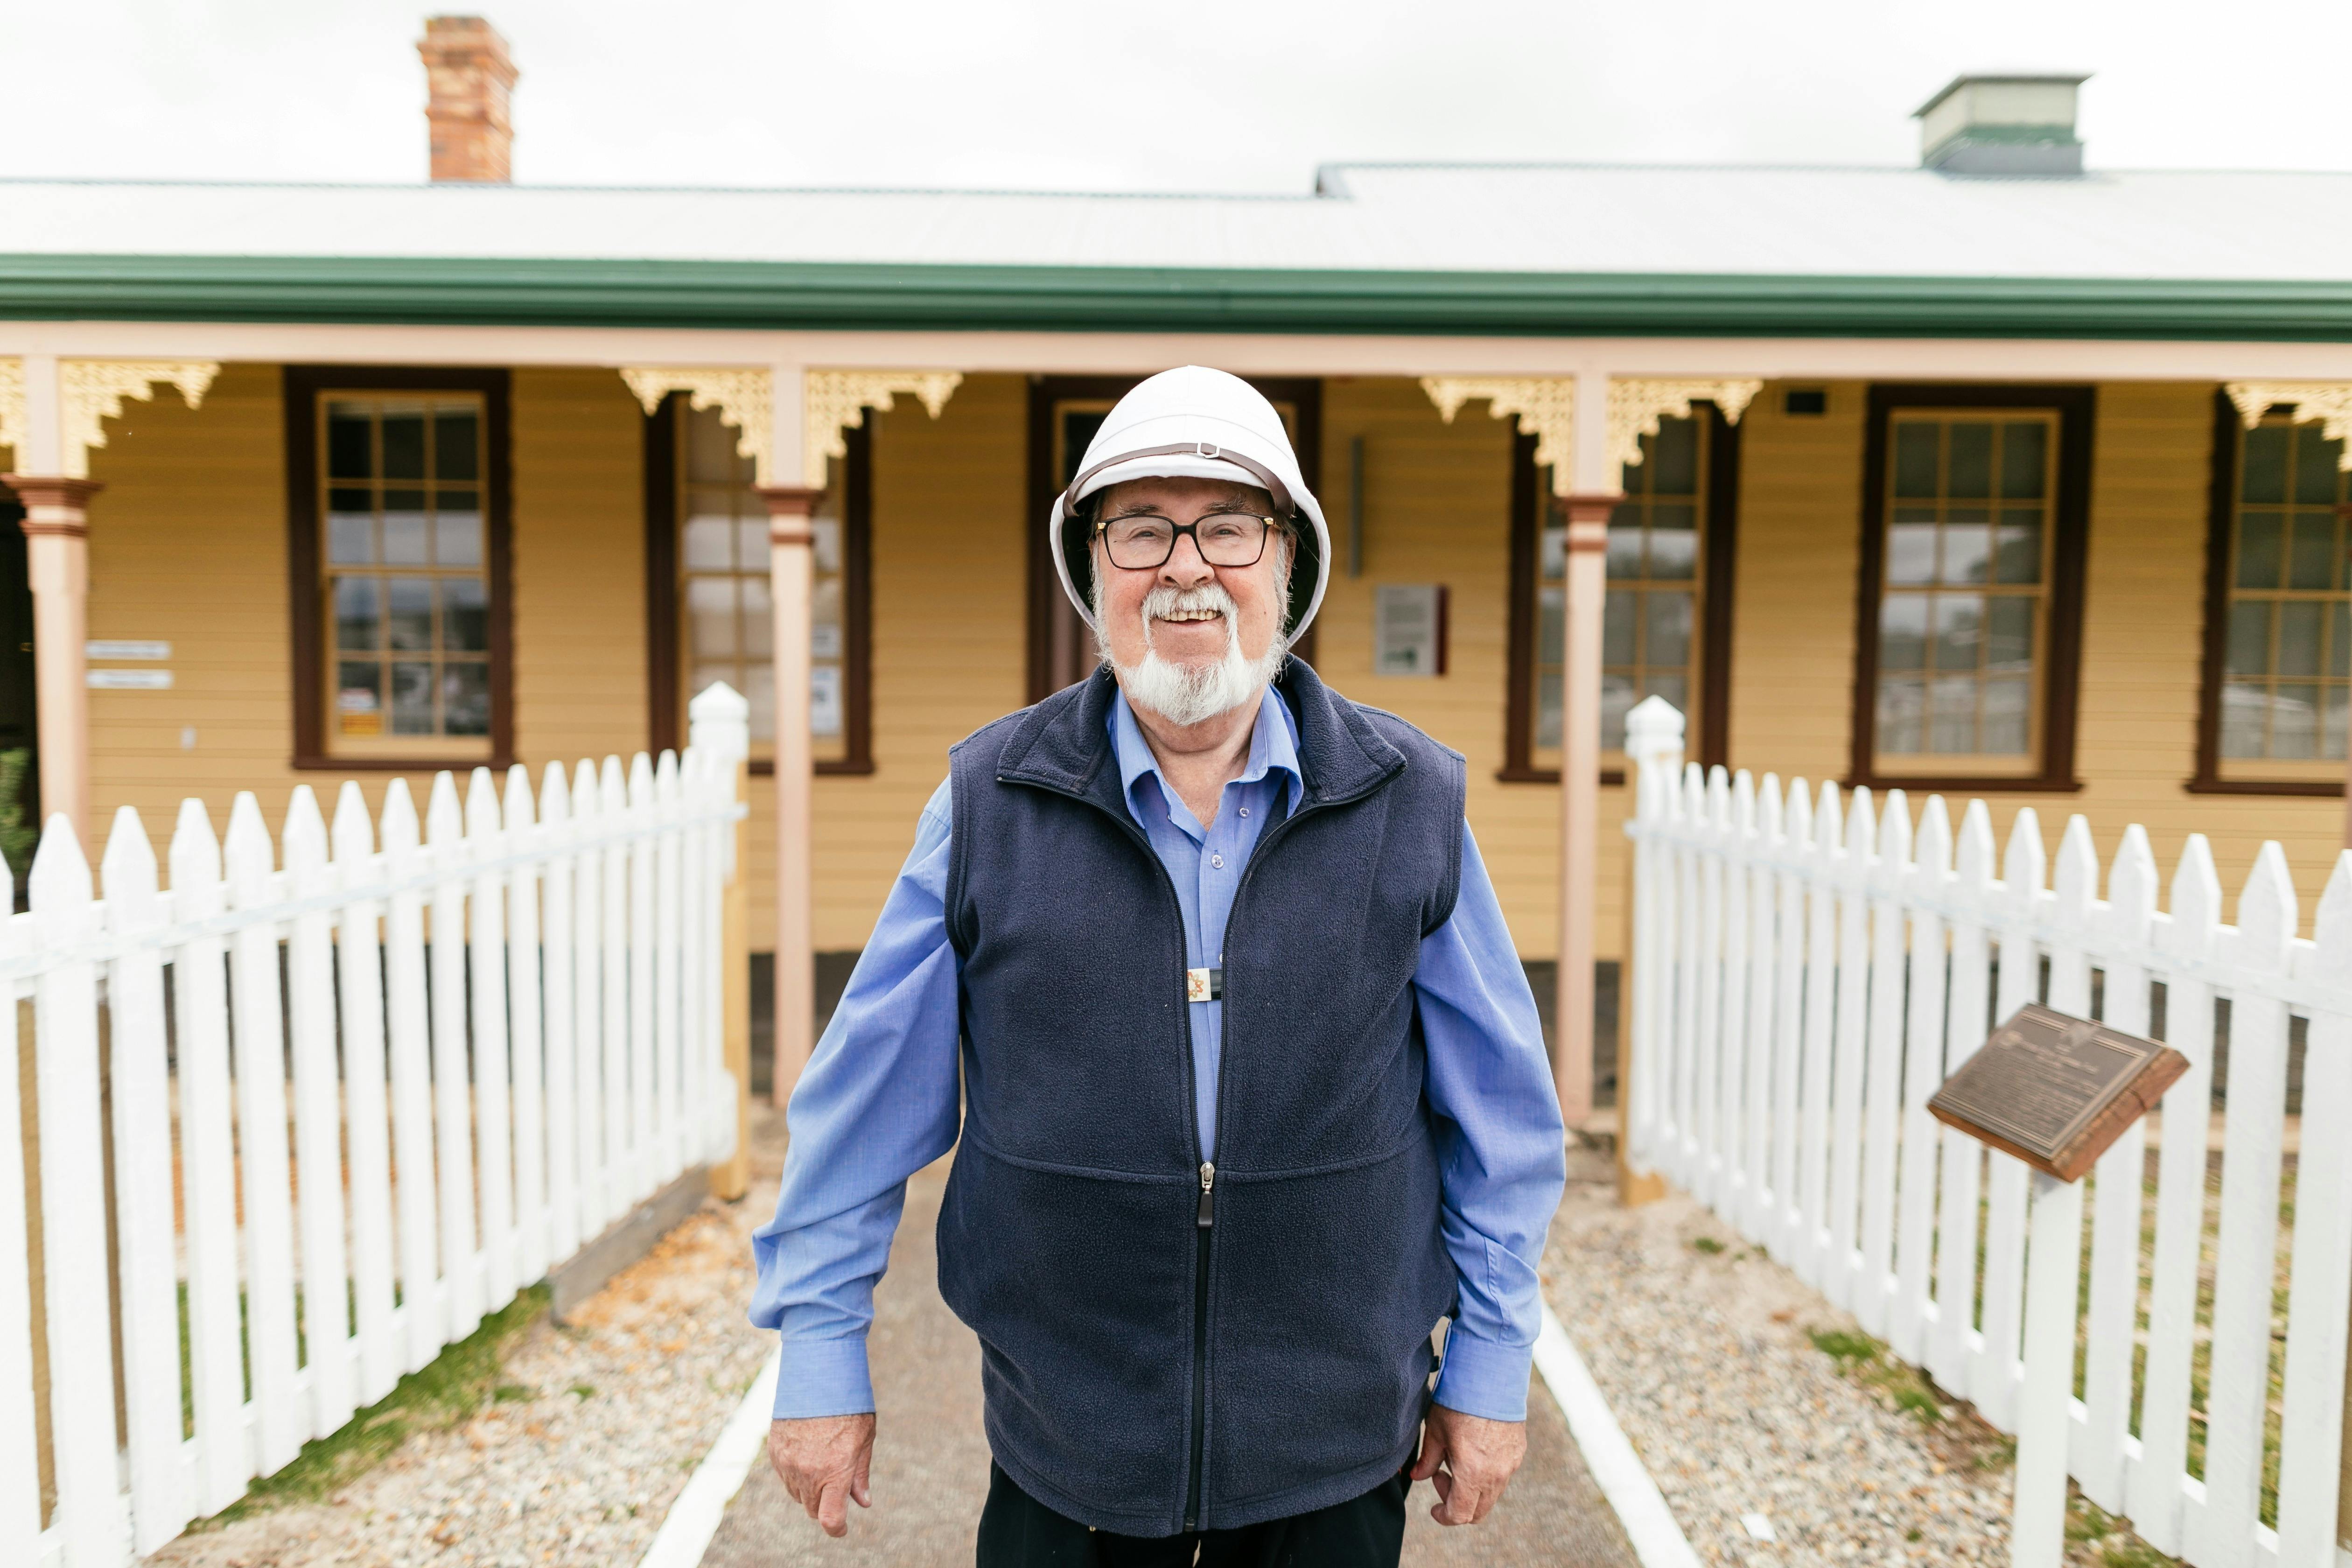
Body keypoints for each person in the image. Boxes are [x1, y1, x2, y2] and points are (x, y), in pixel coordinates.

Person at [750, 366, 1567, 1566]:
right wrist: (820, 1354)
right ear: (1095, 573)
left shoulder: (1412, 802)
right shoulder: (991, 799)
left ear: (1287, 563)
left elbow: (1503, 1124)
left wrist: (1491, 1366)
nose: (1186, 565)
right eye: (1141, 529)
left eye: (1229, 525)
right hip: (1065, 1442)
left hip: (1333, 1449)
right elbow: (864, 1102)